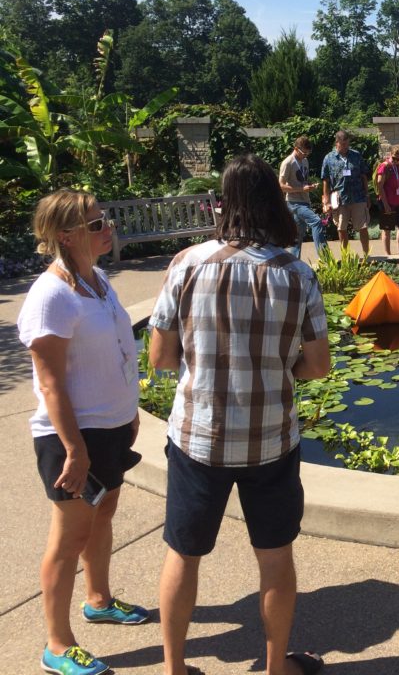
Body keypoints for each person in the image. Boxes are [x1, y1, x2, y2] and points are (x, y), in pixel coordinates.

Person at [149, 154, 330, 675]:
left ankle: (175, 669)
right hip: (270, 440)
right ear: (274, 200)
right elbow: (316, 365)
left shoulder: (185, 265)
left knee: (183, 554)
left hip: (197, 438)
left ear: (222, 203)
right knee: (274, 557)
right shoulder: (298, 274)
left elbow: (160, 357)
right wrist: (275, 367)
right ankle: (277, 669)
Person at [17, 190, 148, 675]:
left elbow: (115, 350)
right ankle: (57, 644)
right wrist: (74, 450)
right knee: (69, 537)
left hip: (109, 428)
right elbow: (50, 382)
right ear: (66, 236)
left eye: (105, 218)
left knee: (103, 514)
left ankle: (98, 599)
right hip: (71, 437)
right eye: (95, 225)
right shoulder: (51, 295)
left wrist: (129, 411)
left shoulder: (97, 280)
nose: (107, 227)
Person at [321, 130, 372, 258]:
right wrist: (326, 200)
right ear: (336, 143)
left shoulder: (356, 155)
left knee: (363, 226)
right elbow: (325, 180)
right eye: (342, 144)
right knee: (341, 228)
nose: (345, 147)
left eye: (347, 144)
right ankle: (346, 257)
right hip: (340, 200)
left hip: (358, 197)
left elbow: (363, 176)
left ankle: (367, 255)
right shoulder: (329, 158)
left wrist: (367, 195)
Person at [279, 135, 327, 261]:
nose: (305, 156)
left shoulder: (304, 161)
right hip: (294, 202)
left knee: (298, 235)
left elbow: (302, 180)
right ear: (296, 148)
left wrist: (310, 186)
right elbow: (281, 186)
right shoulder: (287, 163)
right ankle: (326, 259)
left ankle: (294, 263)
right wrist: (301, 189)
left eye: (308, 153)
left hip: (304, 201)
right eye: (304, 153)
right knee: (316, 222)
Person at [374, 144, 399, 255]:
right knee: (387, 229)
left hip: (397, 201)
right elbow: (380, 184)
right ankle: (387, 254)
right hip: (387, 201)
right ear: (390, 155)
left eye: (398, 158)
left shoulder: (398, 166)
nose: (396, 160)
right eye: (394, 158)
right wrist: (385, 204)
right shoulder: (385, 166)